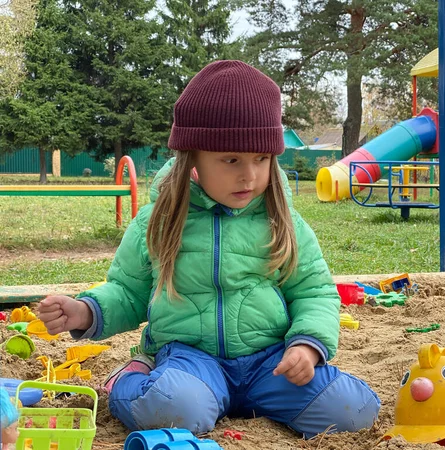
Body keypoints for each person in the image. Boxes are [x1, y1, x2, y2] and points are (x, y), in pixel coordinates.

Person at [37, 60, 380, 437]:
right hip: (189, 360)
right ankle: (125, 383)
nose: (249, 175)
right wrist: (86, 311)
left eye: (261, 159)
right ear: (193, 159)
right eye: (231, 160)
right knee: (176, 409)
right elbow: (128, 292)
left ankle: (247, 397)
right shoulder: (159, 221)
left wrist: (307, 346)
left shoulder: (282, 221)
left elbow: (314, 292)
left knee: (352, 410)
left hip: (270, 362)